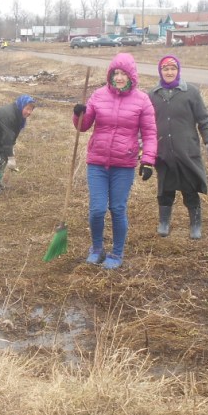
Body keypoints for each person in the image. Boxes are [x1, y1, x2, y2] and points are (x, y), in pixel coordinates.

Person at [73, 53, 157, 269]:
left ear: (131, 76)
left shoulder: (142, 100)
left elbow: (149, 133)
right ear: (110, 75)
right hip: (97, 162)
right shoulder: (98, 96)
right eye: (115, 73)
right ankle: (97, 248)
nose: (119, 77)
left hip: (124, 163)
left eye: (123, 74)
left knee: (118, 209)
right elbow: (83, 126)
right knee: (97, 209)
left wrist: (148, 160)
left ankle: (117, 254)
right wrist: (78, 114)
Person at [148, 54, 208, 239]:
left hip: (187, 151)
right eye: (165, 69)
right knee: (165, 189)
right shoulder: (153, 95)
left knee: (190, 188)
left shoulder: (191, 92)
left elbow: (204, 118)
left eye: (173, 68)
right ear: (160, 71)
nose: (169, 72)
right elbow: (146, 123)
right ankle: (164, 222)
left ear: (178, 70)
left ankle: (195, 224)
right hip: (163, 152)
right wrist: (142, 143)